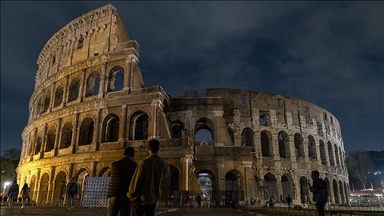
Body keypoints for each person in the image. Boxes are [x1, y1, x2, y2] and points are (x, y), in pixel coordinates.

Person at [128, 139, 170, 216]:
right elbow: (164, 177)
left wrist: (131, 194)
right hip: (154, 197)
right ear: (158, 149)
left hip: (141, 198)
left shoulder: (144, 162)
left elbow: (137, 180)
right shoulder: (164, 164)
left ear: (148, 149)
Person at [107, 147, 137, 216]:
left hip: (114, 193)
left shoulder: (115, 164)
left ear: (124, 154)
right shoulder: (134, 166)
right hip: (126, 195)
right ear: (133, 155)